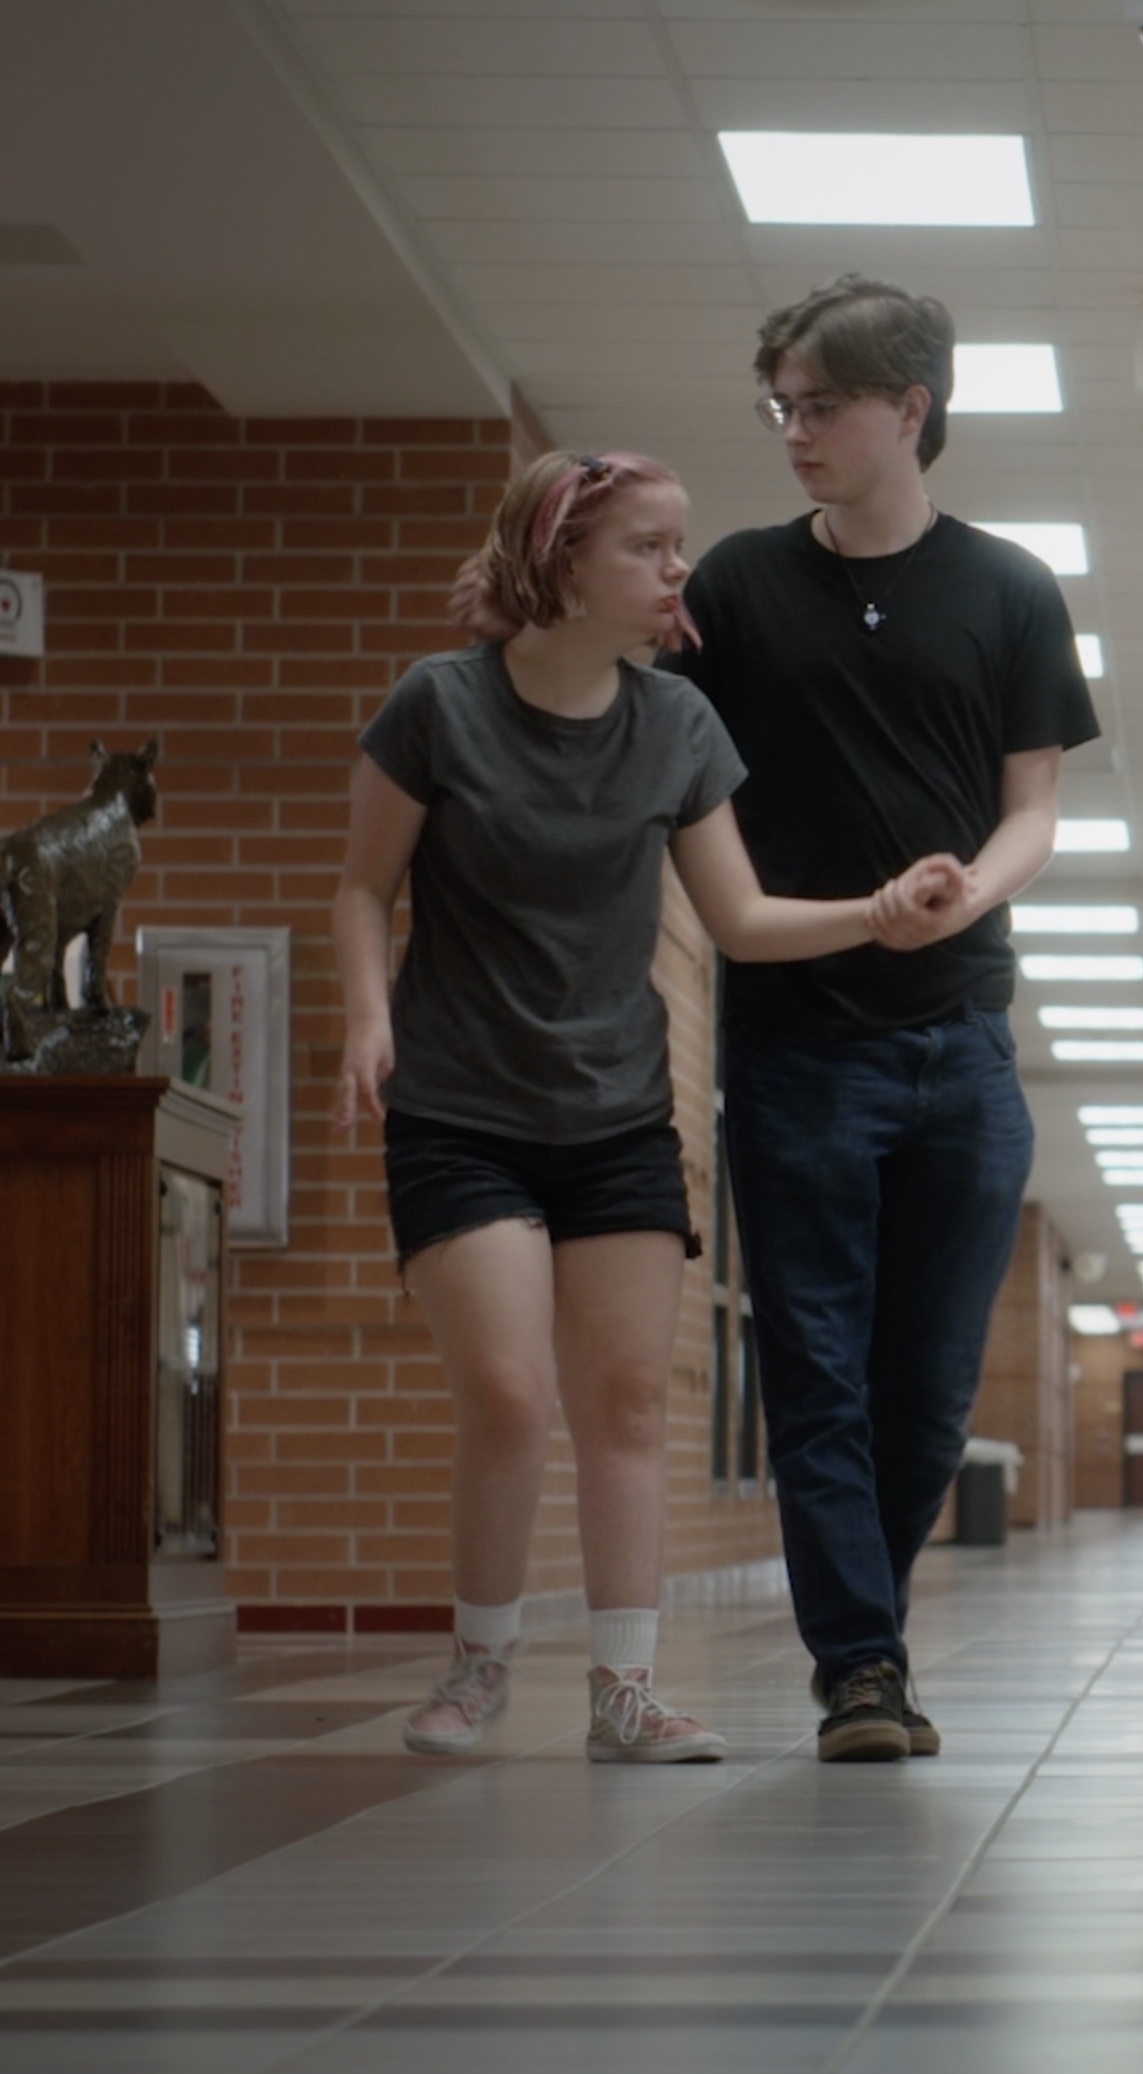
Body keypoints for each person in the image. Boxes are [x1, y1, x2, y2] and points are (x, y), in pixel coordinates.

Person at [455, 277, 1100, 1763]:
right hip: (799, 1044)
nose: (794, 432)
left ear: (909, 412)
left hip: (960, 1044)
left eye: (820, 406)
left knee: (926, 1387)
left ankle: (862, 1621)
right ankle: (862, 1666)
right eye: (781, 408)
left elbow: (1034, 807)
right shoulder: (737, 587)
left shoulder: (1005, 590)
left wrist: (965, 897)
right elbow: (611, 693)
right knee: (813, 1362)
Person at [334, 446, 961, 1764]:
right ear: (560, 560)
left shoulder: (676, 725)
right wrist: (368, 1019)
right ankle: (477, 1667)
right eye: (649, 548)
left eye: (680, 546)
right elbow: (361, 886)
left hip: (615, 1115)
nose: (681, 573)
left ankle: (626, 1690)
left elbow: (734, 918)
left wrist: (875, 913)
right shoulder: (437, 708)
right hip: (461, 1105)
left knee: (625, 1403)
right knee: (508, 1395)